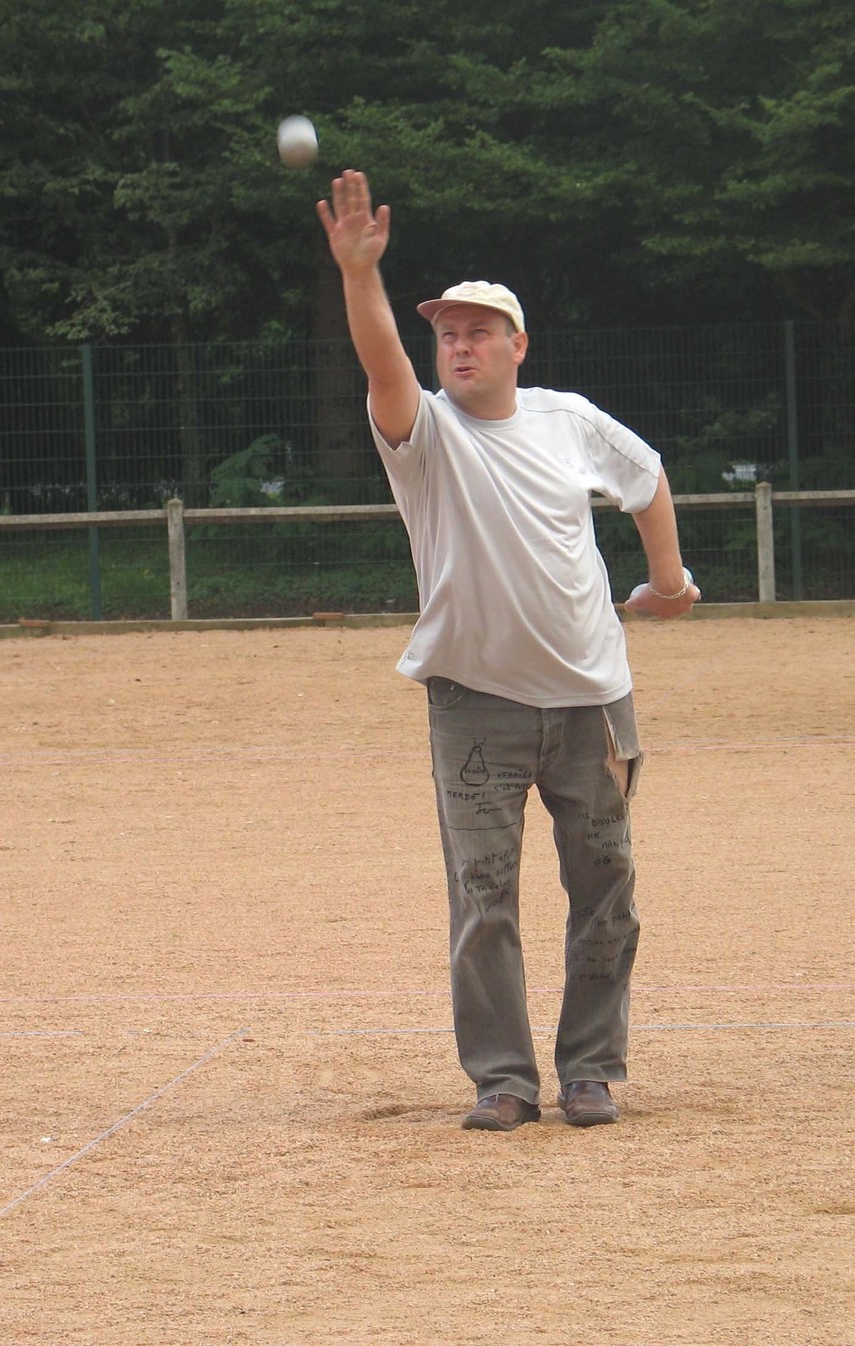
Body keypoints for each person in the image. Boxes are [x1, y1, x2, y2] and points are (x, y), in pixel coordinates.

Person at [317, 170, 701, 1133]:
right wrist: (361, 276)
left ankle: (589, 1072)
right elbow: (380, 363)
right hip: (474, 702)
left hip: (589, 702)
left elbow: (647, 478)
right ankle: (502, 1078)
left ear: (518, 346)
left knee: (604, 889)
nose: (460, 343)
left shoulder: (566, 420)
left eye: (479, 330)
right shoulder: (426, 433)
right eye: (447, 331)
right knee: (482, 899)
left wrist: (669, 581)